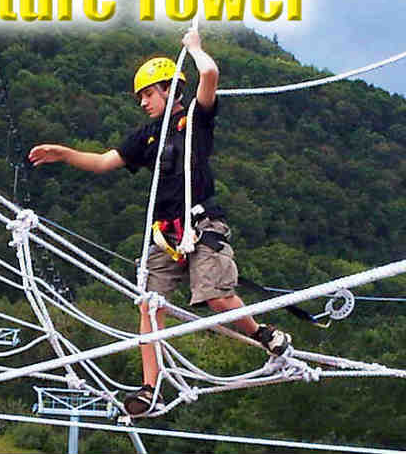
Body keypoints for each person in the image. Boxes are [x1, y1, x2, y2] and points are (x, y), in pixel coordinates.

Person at [28, 28, 291, 416]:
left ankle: (262, 333)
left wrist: (195, 49)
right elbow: (104, 162)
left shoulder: (196, 119)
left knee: (216, 297)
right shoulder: (148, 135)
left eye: (149, 94)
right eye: (141, 97)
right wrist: (64, 153)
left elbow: (210, 75)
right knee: (149, 307)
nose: (143, 102)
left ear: (170, 89)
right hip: (166, 233)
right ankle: (151, 388)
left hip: (202, 224)